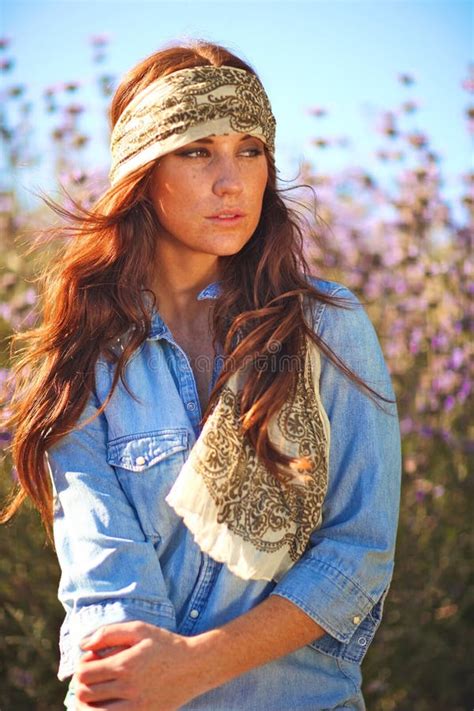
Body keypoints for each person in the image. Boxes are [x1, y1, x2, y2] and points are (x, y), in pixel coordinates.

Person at [2, 40, 402, 710]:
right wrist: (153, 675)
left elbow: (359, 553)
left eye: (251, 148)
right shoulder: (85, 360)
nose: (233, 181)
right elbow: (109, 586)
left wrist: (194, 666)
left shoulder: (325, 328)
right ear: (142, 169)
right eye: (197, 150)